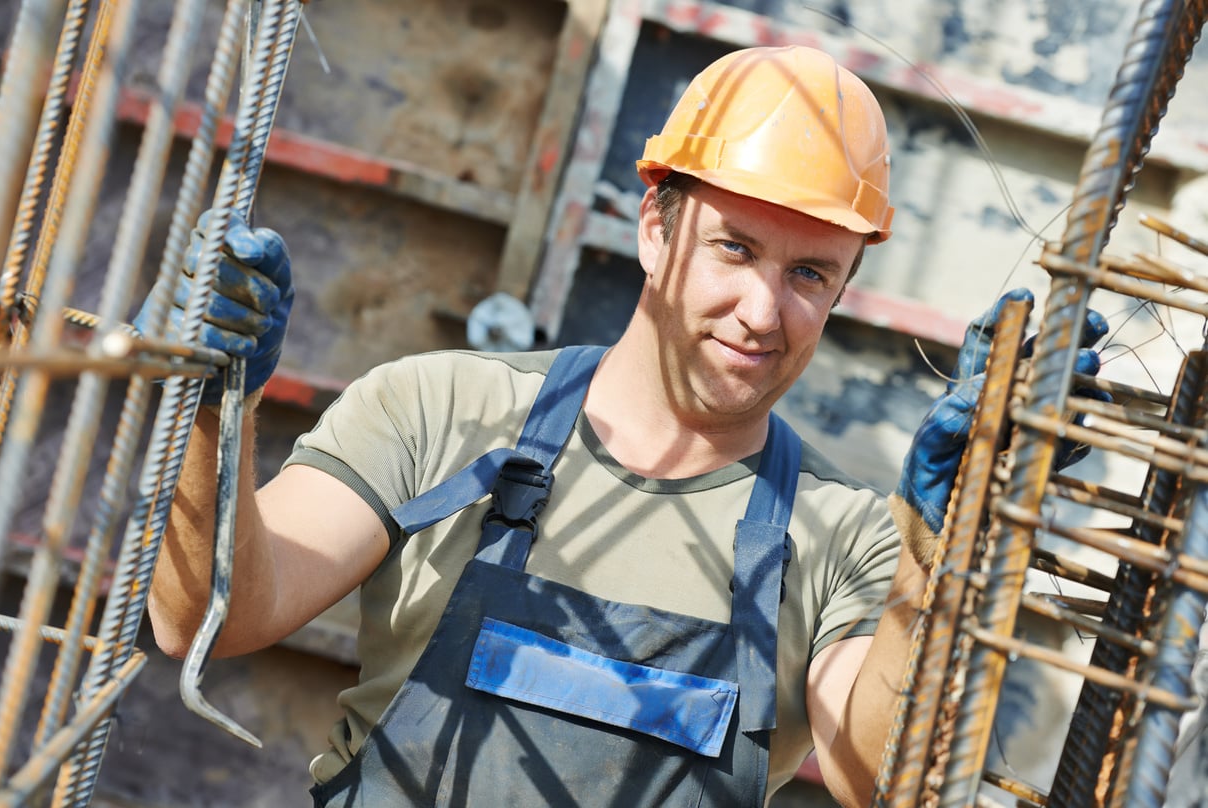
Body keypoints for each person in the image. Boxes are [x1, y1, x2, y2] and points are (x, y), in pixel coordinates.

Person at [143, 45, 1104, 807]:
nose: (763, 312)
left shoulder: (847, 541)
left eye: (809, 273)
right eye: (734, 248)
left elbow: (883, 781)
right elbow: (206, 618)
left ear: (846, 287)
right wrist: (209, 411)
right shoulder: (443, 409)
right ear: (655, 228)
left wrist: (947, 541)